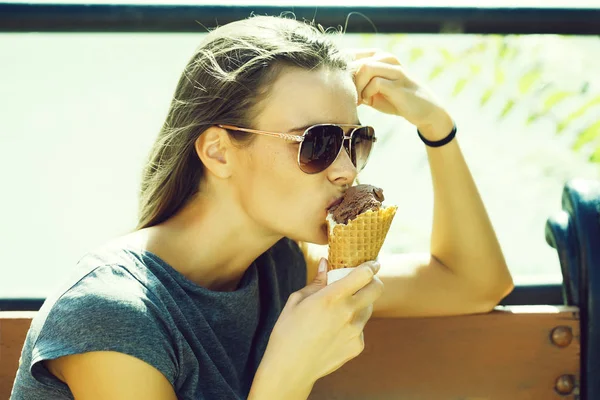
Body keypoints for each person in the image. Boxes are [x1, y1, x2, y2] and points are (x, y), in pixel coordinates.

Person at [11, 14, 514, 400]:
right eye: (316, 143)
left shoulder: (280, 266)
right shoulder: (113, 313)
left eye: (355, 140)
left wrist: (436, 127)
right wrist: (288, 374)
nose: (347, 170)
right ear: (218, 152)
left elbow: (471, 281)